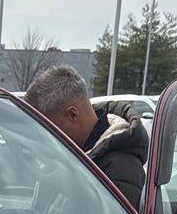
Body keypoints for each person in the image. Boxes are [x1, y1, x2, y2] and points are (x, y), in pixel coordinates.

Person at [24, 65, 148, 206]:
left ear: (72, 115)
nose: (45, 138)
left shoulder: (121, 167)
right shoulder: (70, 156)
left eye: (47, 128)